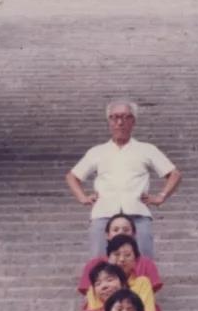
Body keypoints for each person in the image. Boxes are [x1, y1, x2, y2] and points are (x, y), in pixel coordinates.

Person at [65, 99, 182, 259]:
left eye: (126, 117)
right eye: (115, 117)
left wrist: (161, 196)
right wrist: (82, 197)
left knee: (144, 261)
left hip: (137, 212)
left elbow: (174, 174)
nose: (120, 122)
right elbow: (72, 176)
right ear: (109, 121)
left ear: (133, 121)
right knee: (99, 262)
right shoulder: (97, 151)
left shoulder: (147, 149)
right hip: (104, 213)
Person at [84, 236, 163, 311]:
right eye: (116, 254)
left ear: (135, 261)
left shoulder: (142, 282)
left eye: (127, 255)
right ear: (108, 258)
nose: (121, 259)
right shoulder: (95, 289)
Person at [77, 214, 163, 301]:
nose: (120, 232)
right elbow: (90, 297)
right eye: (115, 230)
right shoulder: (93, 264)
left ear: (133, 234)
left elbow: (148, 296)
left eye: (126, 230)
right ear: (107, 235)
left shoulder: (147, 264)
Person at [74, 262, 157, 311]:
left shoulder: (136, 310)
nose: (104, 286)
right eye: (98, 284)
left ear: (123, 283)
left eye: (109, 280)